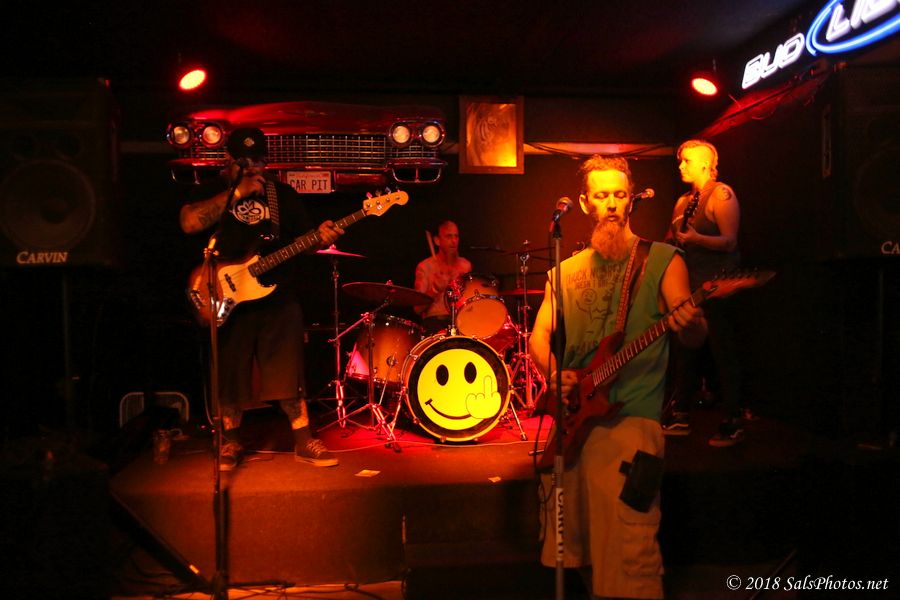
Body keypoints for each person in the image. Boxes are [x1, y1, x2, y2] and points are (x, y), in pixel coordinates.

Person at [529, 155, 706, 599]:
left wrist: (693, 323)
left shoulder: (662, 259)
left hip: (632, 423)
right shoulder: (563, 271)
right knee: (578, 549)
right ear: (585, 203)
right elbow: (538, 337)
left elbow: (692, 333)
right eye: (602, 195)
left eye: (620, 195)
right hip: (573, 425)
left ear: (631, 201)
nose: (611, 203)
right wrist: (553, 373)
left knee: (631, 552)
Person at [179, 127, 344, 470]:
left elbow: (306, 242)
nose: (253, 167)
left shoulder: (281, 195)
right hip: (228, 296)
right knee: (230, 374)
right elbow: (189, 223)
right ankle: (230, 442)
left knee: (289, 374)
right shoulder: (211, 190)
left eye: (258, 160)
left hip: (278, 295)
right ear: (229, 159)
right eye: (245, 161)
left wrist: (321, 237)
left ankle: (304, 441)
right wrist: (237, 193)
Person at [663, 139, 744, 447]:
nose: (681, 165)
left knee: (724, 354)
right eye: (680, 160)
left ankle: (733, 420)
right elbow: (672, 240)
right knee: (684, 351)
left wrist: (697, 238)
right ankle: (681, 413)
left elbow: (730, 241)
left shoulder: (721, 194)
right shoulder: (683, 202)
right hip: (690, 289)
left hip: (719, 287)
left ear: (704, 164)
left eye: (687, 160)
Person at [413, 220, 472, 335]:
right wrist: (435, 289)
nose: (454, 241)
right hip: (434, 325)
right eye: (449, 236)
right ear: (437, 240)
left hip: (461, 322)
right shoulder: (425, 267)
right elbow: (417, 308)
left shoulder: (465, 266)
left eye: (456, 236)